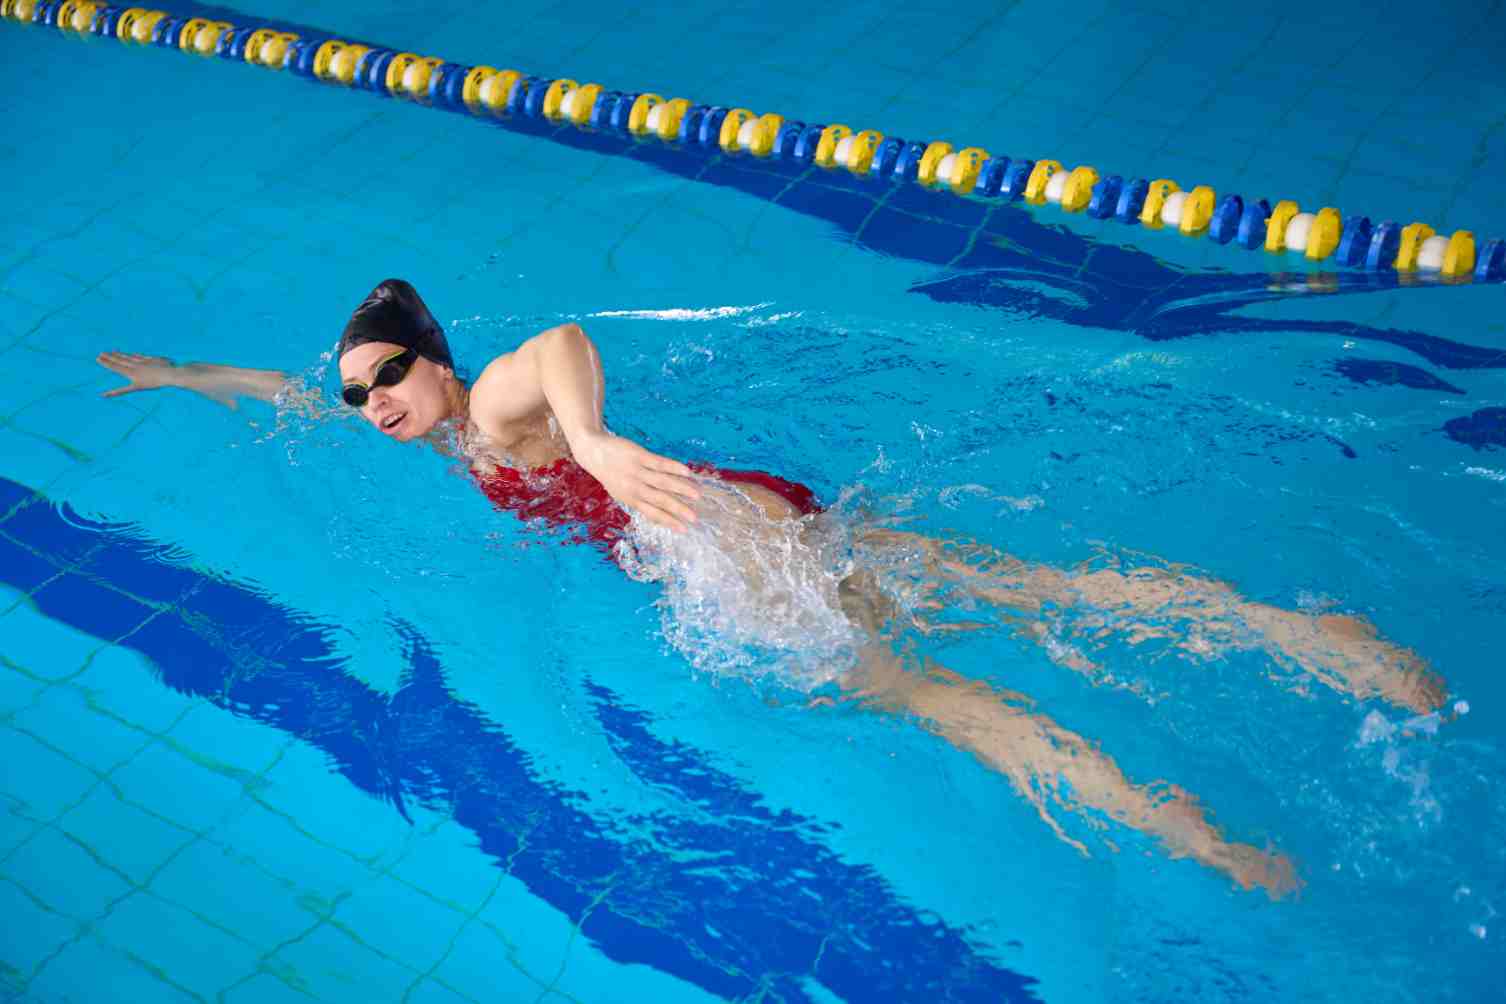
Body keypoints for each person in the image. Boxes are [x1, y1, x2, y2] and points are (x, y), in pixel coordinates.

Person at [96, 278, 1447, 898]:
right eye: (361, 392)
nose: (374, 402)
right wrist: (178, 379)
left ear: (436, 359)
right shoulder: (431, 426)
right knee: (1030, 587)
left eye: (391, 376)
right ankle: (1298, 633)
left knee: (918, 691)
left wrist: (600, 440)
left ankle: (1173, 826)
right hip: (756, 510)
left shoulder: (498, 401)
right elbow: (288, 395)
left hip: (716, 549)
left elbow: (556, 344)